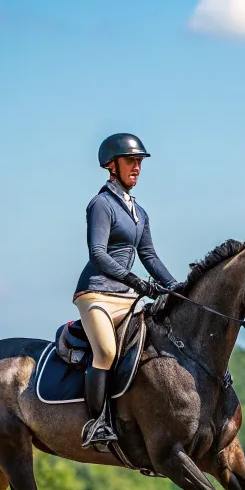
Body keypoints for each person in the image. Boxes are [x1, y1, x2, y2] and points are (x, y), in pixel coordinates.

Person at [74, 133, 179, 449]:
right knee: (105, 351)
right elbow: (98, 253)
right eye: (131, 161)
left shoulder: (140, 213)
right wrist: (135, 281)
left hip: (127, 297)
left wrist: (177, 288)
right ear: (111, 166)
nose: (137, 168)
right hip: (96, 294)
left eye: (139, 162)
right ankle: (98, 423)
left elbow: (149, 256)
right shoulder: (101, 204)